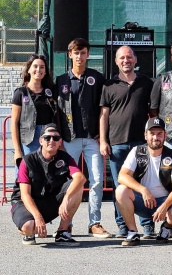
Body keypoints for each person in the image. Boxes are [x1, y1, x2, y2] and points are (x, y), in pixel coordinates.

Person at [55, 38, 109, 238]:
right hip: (69, 139)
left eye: (83, 52)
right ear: (70, 55)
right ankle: (65, 225)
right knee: (70, 182)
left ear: (87, 54)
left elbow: (104, 109)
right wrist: (58, 138)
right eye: (76, 53)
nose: (79, 56)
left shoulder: (97, 78)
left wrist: (103, 136)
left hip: (92, 139)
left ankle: (94, 223)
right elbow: (57, 112)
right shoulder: (61, 80)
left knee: (96, 181)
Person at [99, 45, 155, 238]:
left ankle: (147, 225)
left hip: (141, 143)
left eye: (129, 57)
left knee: (143, 183)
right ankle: (123, 226)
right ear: (116, 61)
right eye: (122, 58)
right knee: (119, 186)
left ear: (135, 59)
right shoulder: (108, 85)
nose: (126, 60)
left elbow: (153, 113)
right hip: (117, 144)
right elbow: (104, 115)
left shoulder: (146, 83)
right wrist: (103, 141)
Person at [115, 117, 172, 246]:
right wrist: (143, 189)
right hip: (143, 200)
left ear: (165, 135)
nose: (155, 137)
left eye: (159, 134)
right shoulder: (137, 151)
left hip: (165, 200)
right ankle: (133, 232)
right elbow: (122, 176)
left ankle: (166, 227)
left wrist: (164, 206)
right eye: (152, 133)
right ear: (145, 135)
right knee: (121, 190)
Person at [10, 124, 85, 246]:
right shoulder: (27, 160)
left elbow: (80, 178)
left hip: (48, 200)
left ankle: (62, 232)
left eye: (56, 138)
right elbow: (25, 195)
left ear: (60, 142)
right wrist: (38, 217)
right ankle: (26, 230)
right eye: (47, 138)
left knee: (77, 186)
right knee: (29, 227)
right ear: (40, 141)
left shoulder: (65, 158)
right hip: (26, 203)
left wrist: (66, 199)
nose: (51, 141)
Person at [11, 54, 57, 163]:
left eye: (42, 67)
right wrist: (17, 150)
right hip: (28, 140)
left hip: (48, 138)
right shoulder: (20, 93)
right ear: (29, 69)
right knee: (28, 172)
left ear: (45, 71)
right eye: (35, 66)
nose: (38, 70)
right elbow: (14, 123)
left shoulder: (50, 92)